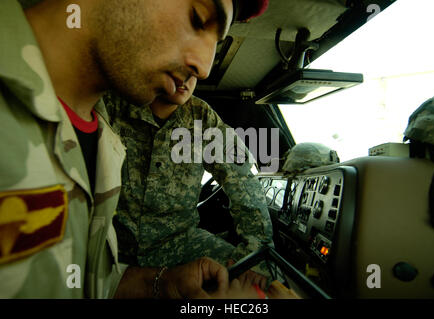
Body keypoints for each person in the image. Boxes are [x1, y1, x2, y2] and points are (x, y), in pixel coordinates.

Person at [0, 0, 268, 298]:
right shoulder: (109, 109)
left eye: (216, 42)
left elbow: (242, 180)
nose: (203, 69)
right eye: (197, 17)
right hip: (119, 245)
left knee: (255, 284)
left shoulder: (195, 120)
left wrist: (250, 256)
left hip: (173, 243)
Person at [103, 76, 274, 276]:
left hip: (179, 242)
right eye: (180, 64)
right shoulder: (114, 104)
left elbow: (242, 179)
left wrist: (256, 249)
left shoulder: (201, 117)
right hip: (113, 241)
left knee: (259, 274)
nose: (185, 77)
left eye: (194, 72)